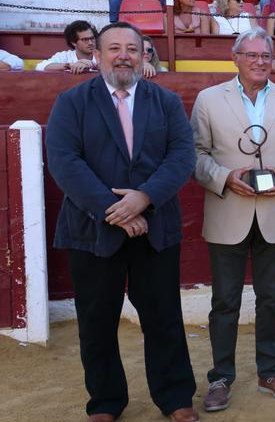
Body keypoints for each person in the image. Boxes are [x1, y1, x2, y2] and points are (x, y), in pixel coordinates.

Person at [45, 22, 200, 422]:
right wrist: (114, 210)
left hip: (155, 228)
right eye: (114, 48)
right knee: (96, 322)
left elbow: (181, 156)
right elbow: (65, 162)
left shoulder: (164, 101)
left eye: (132, 48)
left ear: (144, 54)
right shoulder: (72, 102)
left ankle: (175, 397)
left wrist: (144, 198)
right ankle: (105, 402)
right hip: (92, 229)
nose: (124, 55)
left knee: (164, 317)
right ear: (97, 55)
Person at [190, 29, 275, 412]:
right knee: (224, 301)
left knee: (271, 300)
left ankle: (270, 370)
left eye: (266, 55)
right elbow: (196, 154)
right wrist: (225, 178)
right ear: (235, 57)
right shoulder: (209, 99)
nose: (260, 61)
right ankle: (221, 377)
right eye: (252, 55)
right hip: (229, 209)